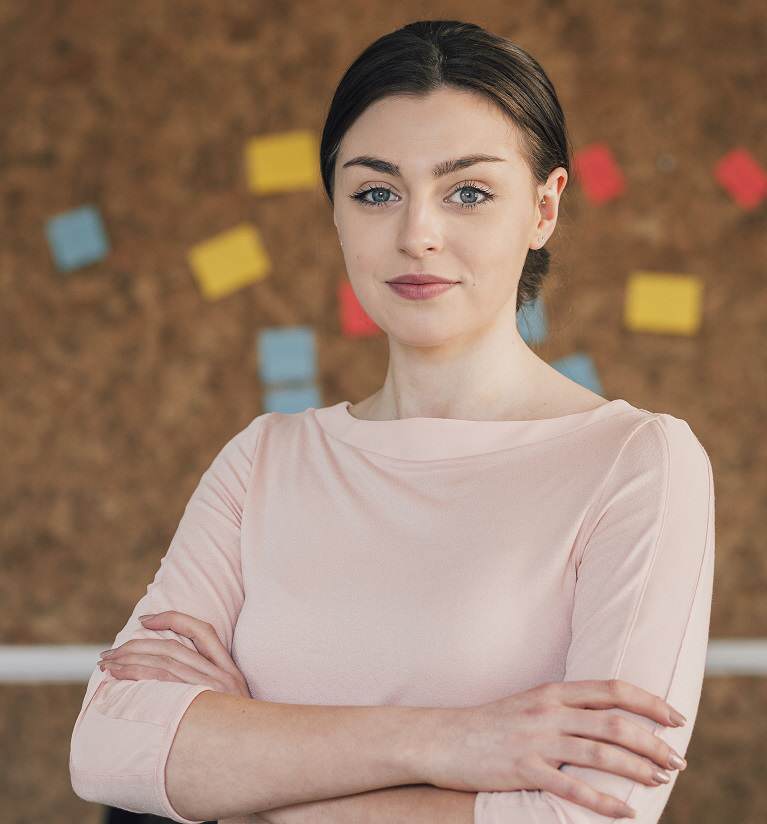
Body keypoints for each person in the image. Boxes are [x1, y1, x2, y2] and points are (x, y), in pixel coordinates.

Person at [70, 19, 715, 824]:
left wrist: (241, 779)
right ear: (336, 212)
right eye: (375, 191)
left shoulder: (636, 460)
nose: (417, 235)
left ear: (543, 209)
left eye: (468, 192)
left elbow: (585, 813)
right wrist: (444, 743)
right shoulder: (266, 460)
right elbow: (108, 748)